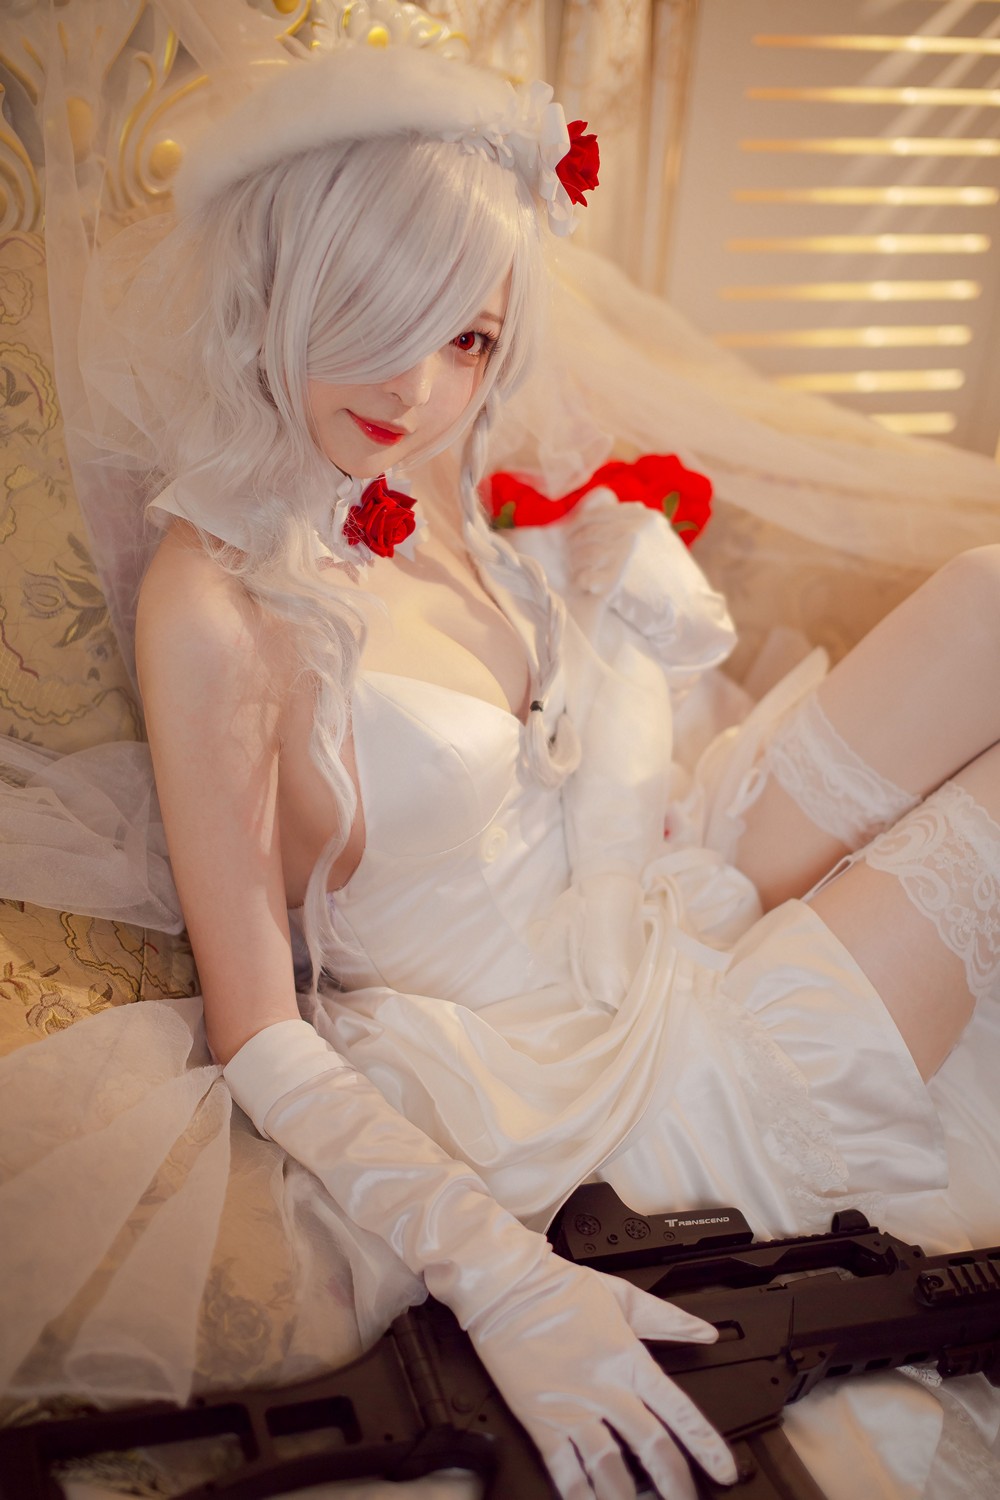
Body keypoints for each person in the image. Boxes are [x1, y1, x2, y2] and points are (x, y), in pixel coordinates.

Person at [2, 30, 1000, 1500]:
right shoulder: (214, 600)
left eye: (468, 339)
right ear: (289, 280)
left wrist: (596, 605)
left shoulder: (418, 489)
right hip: (571, 1067)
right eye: (382, 318)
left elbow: (542, 735)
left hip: (647, 885)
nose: (419, 386)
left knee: (986, 594)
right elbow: (260, 1028)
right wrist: (500, 1273)